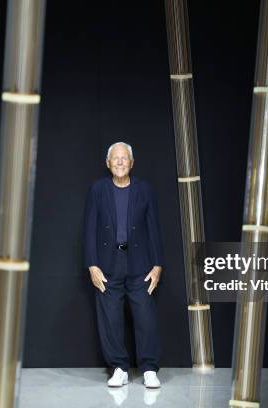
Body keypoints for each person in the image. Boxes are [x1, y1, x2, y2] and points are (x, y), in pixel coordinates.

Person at [83, 142, 163, 389]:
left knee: (145, 317)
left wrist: (157, 265)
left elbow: (154, 229)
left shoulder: (144, 189)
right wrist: (92, 265)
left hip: (140, 263)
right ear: (108, 163)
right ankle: (119, 368)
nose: (119, 162)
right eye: (115, 158)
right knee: (110, 319)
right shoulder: (97, 189)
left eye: (124, 158)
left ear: (131, 163)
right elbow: (89, 229)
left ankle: (149, 369)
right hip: (108, 263)